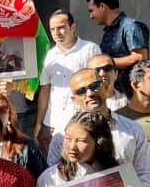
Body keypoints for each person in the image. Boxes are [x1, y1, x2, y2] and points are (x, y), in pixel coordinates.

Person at [34, 10, 102, 152]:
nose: (56, 32)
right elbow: (45, 90)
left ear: (73, 27)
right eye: (52, 29)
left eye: (61, 27)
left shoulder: (90, 49)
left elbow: (99, 85)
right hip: (52, 123)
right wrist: (39, 123)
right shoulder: (48, 56)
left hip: (81, 121)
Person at [86, 0, 148, 98]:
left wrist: (106, 63)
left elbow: (140, 57)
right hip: (114, 94)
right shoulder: (109, 31)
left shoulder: (130, 26)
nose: (91, 16)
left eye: (91, 10)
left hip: (130, 95)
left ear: (102, 7)